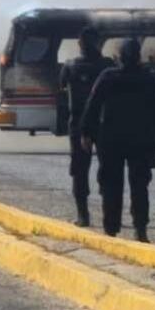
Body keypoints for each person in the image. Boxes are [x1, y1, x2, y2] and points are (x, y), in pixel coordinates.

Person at [80, 38, 155, 243]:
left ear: (120, 57)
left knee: (110, 185)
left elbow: (92, 106)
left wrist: (86, 133)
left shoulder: (108, 77)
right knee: (139, 186)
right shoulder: (147, 78)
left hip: (110, 140)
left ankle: (111, 229)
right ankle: (140, 229)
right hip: (140, 140)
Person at [58, 26, 114, 227]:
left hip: (80, 125)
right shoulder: (108, 66)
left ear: (79, 44)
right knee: (108, 170)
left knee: (80, 170)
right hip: (103, 124)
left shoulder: (70, 65)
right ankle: (109, 215)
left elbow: (61, 88)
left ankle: (83, 216)